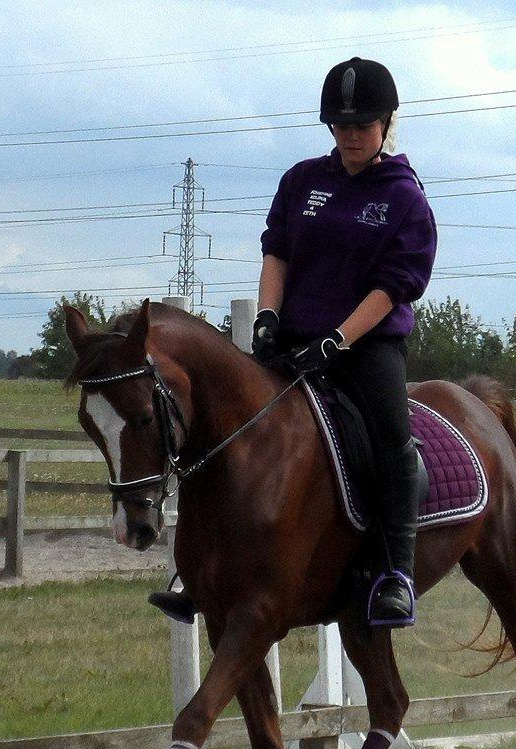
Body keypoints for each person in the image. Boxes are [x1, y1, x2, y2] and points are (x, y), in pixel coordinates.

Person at [150, 56, 437, 628]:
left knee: (391, 443)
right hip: (293, 339)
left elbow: (396, 285)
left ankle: (395, 573)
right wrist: (266, 317)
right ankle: (198, 566)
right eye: (341, 125)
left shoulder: (404, 197)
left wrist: (339, 339)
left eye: (363, 125)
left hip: (367, 346)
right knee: (226, 431)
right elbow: (276, 251)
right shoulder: (302, 180)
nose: (351, 135)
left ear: (386, 124)